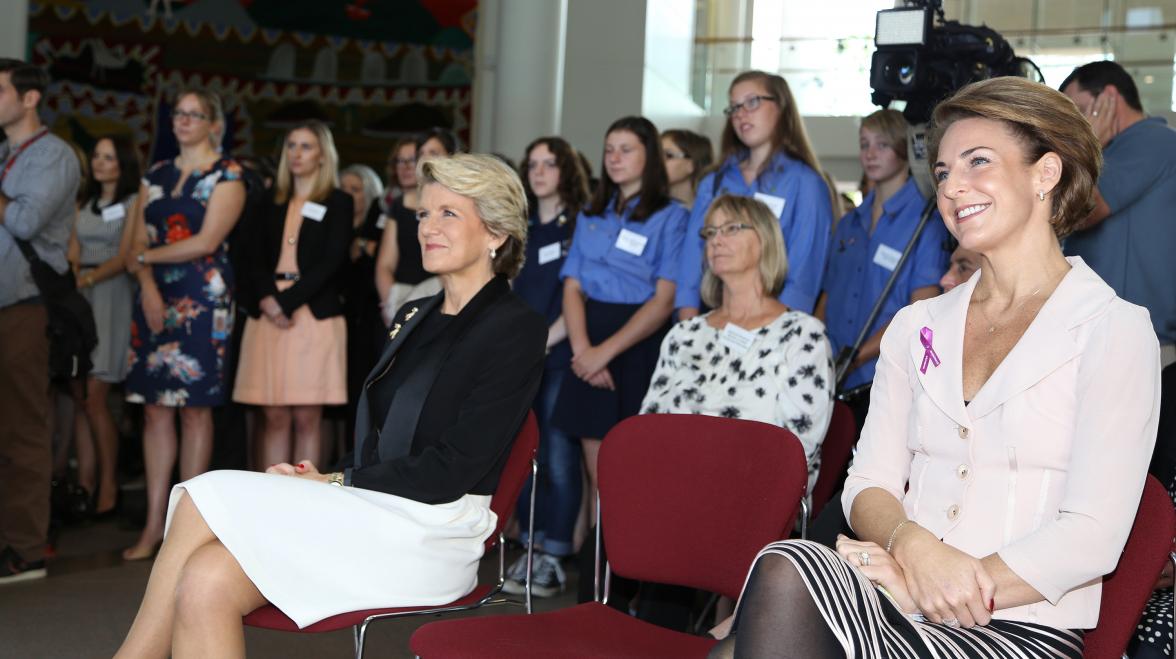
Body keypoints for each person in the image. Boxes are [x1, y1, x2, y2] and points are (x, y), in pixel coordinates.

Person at [709, 76, 1161, 659]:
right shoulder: (917, 325)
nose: (953, 188)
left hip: (1018, 623)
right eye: (944, 172)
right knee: (787, 561)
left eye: (978, 162)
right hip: (894, 593)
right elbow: (867, 485)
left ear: (1045, 174)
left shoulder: (1112, 328)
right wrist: (911, 548)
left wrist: (937, 585)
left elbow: (1093, 535)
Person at [114, 153, 545, 657]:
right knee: (204, 579)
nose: (428, 226)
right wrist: (320, 474)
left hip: (434, 529)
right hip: (375, 506)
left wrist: (336, 483)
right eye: (424, 213)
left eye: (449, 213)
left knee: (201, 493)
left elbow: (453, 469)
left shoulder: (515, 328)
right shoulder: (414, 313)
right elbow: (382, 439)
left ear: (496, 233)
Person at [122, 89, 246, 561]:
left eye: (195, 114)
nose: (184, 121)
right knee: (155, 408)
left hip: (202, 295)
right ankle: (154, 521)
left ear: (214, 123)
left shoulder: (228, 174)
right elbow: (134, 241)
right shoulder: (154, 175)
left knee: (195, 408)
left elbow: (207, 240)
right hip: (154, 293)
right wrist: (148, 284)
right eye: (179, 113)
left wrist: (143, 257)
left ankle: (183, 525)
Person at [641, 194, 833, 494]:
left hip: (752, 498)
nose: (717, 240)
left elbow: (800, 449)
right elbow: (646, 428)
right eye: (710, 232)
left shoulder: (802, 336)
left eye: (731, 228)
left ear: (765, 240)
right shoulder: (684, 335)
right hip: (670, 487)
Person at [0, 59, 81, 584]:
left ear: (29, 98)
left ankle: (25, 549)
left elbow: (26, 219)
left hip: (24, 310)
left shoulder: (54, 155)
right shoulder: (5, 154)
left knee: (23, 428)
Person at [233, 121, 352, 468]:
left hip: (311, 314)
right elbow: (250, 256)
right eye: (291, 145)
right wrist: (269, 299)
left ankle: (305, 503)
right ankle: (272, 504)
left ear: (322, 156)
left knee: (307, 416)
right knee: (273, 417)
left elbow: (332, 260)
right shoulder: (265, 199)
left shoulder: (338, 201)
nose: (296, 154)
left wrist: (285, 302)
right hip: (268, 313)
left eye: (306, 146)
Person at [501, 136, 591, 598]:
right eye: (532, 163)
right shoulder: (521, 226)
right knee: (524, 456)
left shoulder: (578, 226)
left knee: (558, 459)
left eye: (549, 164)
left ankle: (554, 554)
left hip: (556, 357)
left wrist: (544, 341)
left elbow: (578, 294)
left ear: (566, 170)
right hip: (520, 360)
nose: (538, 172)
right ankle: (530, 548)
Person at [817, 108, 948, 415]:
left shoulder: (925, 220)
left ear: (904, 148)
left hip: (883, 374)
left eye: (882, 145)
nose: (870, 154)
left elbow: (922, 308)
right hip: (832, 371)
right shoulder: (851, 224)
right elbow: (827, 295)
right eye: (864, 144)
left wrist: (860, 355)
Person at [677, 70, 834, 318]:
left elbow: (804, 274)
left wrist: (776, 333)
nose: (741, 114)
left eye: (752, 102)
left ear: (781, 106)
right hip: (714, 313)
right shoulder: (714, 180)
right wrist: (688, 325)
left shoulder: (806, 183)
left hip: (774, 318)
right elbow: (691, 261)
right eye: (734, 107)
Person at [1060, 61, 1176, 372]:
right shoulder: (1109, 154)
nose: (1074, 125)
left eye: (1079, 109)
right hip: (1104, 337)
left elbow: (1083, 209)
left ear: (1109, 97)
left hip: (1133, 345)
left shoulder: (1150, 139)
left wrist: (1085, 144)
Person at [68, 134, 140, 517]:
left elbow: (128, 254)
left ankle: (110, 487)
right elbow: (72, 247)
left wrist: (90, 280)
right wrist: (76, 279)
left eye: (108, 157)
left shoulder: (132, 202)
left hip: (112, 296)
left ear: (122, 163)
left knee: (97, 397)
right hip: (81, 298)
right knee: (81, 398)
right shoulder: (84, 202)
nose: (99, 162)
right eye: (96, 155)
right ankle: (86, 485)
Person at [374, 129, 459, 325]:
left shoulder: (460, 202)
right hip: (401, 298)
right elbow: (384, 265)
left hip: (443, 295)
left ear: (451, 157)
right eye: (421, 154)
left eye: (434, 153)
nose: (426, 159)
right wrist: (392, 305)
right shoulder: (399, 204)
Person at [339, 163, 386, 448]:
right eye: (342, 189)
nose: (347, 195)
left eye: (354, 190)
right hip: (337, 319)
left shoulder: (375, 228)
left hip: (366, 323)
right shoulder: (333, 227)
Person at [662, 128, 714, 207]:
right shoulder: (645, 205)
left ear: (692, 164)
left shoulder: (709, 211)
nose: (656, 161)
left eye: (668, 155)